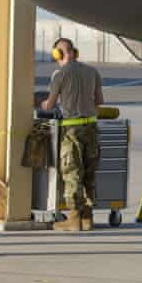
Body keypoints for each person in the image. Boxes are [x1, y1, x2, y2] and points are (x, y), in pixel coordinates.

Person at [38, 38, 104, 232]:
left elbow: (50, 105)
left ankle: (74, 219)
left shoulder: (60, 74)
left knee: (72, 174)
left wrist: (41, 104)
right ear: (75, 52)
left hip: (71, 130)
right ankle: (88, 218)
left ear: (57, 54)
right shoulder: (92, 72)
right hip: (91, 128)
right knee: (90, 175)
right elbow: (99, 101)